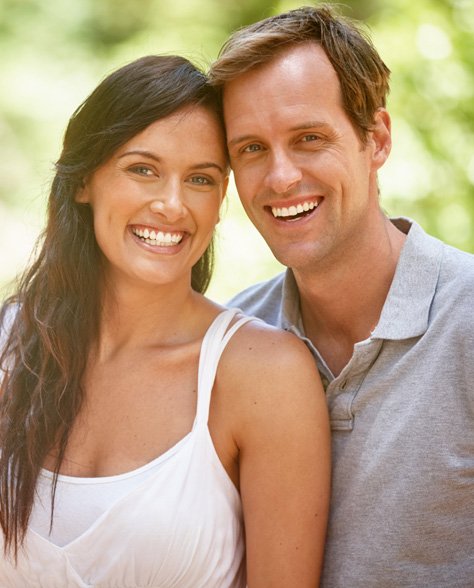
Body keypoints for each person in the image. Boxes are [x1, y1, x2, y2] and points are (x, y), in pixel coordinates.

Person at [0, 55, 331, 587]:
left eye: (199, 179)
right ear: (84, 180)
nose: (172, 205)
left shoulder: (263, 376)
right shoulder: (11, 344)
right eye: (143, 169)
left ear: (221, 198)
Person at [209, 4, 474, 587]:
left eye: (308, 138)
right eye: (251, 148)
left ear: (375, 139)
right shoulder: (227, 342)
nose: (280, 178)